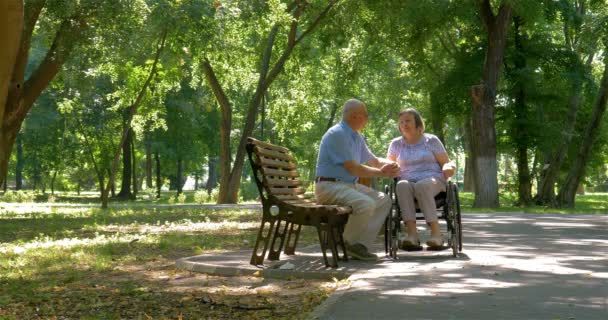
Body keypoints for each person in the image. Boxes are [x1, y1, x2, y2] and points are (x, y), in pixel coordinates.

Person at [315, 98, 400, 261]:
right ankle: (345, 243)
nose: (367, 119)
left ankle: (360, 245)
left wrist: (393, 165)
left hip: (347, 185)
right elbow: (353, 168)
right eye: (365, 115)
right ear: (355, 116)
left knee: (383, 200)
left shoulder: (356, 137)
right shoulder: (337, 134)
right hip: (329, 186)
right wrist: (382, 173)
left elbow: (374, 161)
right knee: (366, 203)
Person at [386, 108, 456, 249]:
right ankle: (412, 235)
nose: (404, 124)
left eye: (408, 121)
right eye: (401, 122)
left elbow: (446, 162)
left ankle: (436, 234)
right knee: (402, 185)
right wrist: (390, 168)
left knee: (422, 185)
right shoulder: (396, 144)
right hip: (408, 182)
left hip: (434, 181)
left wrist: (449, 167)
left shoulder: (431, 140)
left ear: (417, 123)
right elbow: (388, 165)